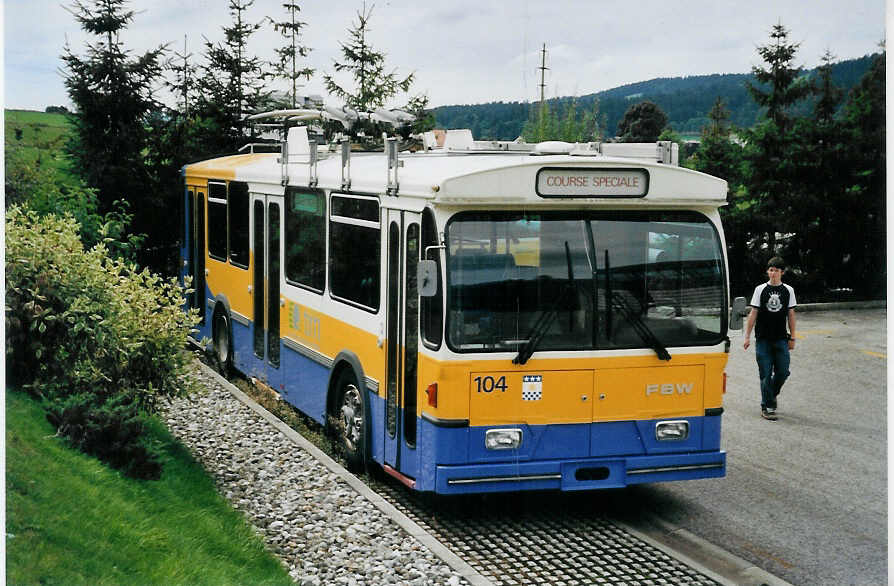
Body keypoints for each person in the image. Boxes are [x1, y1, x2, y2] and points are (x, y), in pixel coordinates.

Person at [743, 256, 797, 421]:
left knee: (783, 372)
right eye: (771, 270)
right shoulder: (760, 290)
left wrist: (793, 337)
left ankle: (769, 396)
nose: (773, 273)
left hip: (781, 338)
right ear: (768, 271)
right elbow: (753, 313)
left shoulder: (788, 290)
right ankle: (767, 406)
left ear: (782, 272)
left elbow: (791, 314)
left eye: (776, 270)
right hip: (763, 339)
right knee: (765, 373)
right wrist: (747, 336)